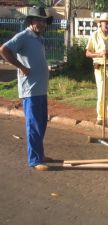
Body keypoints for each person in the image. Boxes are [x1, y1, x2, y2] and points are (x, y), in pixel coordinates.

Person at [0, 6, 53, 171]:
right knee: (34, 124)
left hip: (41, 89)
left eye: (43, 20)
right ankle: (35, 160)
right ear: (31, 21)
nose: (42, 23)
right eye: (38, 20)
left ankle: (40, 154)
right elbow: (4, 50)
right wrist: (21, 67)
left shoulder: (38, 38)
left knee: (42, 123)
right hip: (30, 91)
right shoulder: (23, 36)